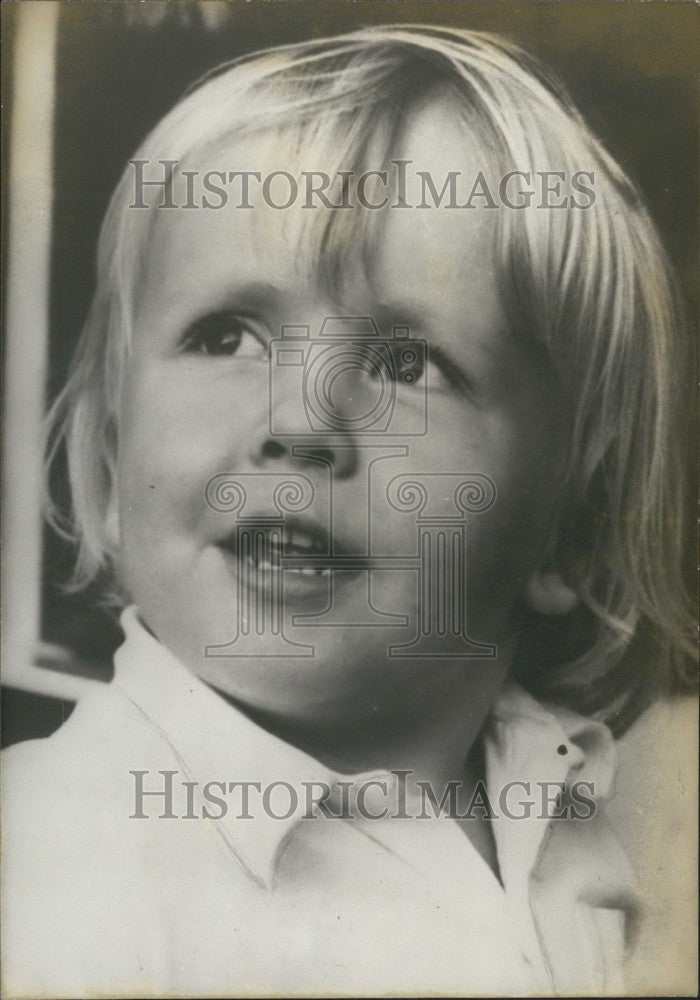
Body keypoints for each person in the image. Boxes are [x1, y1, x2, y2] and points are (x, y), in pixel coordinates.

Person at [1, 25, 694, 997]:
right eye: (227, 335)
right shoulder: (52, 871)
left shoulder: (580, 810)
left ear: (568, 528)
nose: (298, 421)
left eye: (404, 363)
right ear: (113, 466)